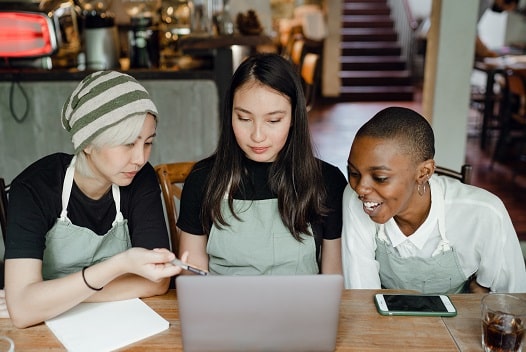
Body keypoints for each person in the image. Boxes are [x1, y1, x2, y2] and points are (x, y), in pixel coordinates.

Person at [2, 71, 185, 328]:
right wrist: (120, 265)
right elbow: (22, 313)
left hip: (115, 322)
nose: (140, 158)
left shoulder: (140, 179)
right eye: (128, 144)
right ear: (87, 143)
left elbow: (157, 282)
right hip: (46, 330)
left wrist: (50, 299)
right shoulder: (35, 187)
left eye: (148, 143)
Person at [177, 53, 347, 275]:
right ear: (230, 115)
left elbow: (334, 278)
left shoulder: (327, 181)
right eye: (244, 119)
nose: (257, 136)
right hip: (222, 309)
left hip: (301, 309)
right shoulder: (203, 179)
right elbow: (191, 274)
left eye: (273, 120)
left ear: (295, 116)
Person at [342, 106, 526, 294]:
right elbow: (361, 296)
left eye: (380, 178)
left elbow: (513, 302)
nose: (360, 188)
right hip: (385, 318)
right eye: (353, 172)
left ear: (424, 172)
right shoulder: (354, 200)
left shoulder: (484, 212)